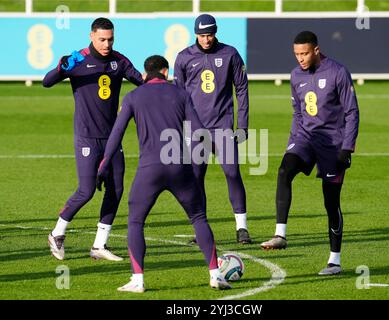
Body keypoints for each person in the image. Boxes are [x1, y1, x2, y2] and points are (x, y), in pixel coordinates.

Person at [96, 55, 232, 292]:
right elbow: (199, 131)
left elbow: (116, 133)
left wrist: (103, 165)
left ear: (145, 74)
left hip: (149, 169)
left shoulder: (132, 97)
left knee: (136, 221)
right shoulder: (180, 94)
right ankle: (215, 274)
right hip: (180, 166)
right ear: (166, 72)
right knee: (198, 218)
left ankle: (137, 280)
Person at [43, 17, 144, 261]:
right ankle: (57, 233)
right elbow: (47, 82)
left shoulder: (119, 61)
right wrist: (61, 67)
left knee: (116, 189)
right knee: (86, 190)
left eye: (110, 39)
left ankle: (99, 245)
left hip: (112, 139)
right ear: (91, 37)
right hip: (87, 137)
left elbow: (141, 81)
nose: (107, 44)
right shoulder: (77, 60)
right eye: (102, 39)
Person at [260, 31, 359, 276]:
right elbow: (297, 112)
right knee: (284, 170)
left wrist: (347, 148)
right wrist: (292, 142)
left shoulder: (337, 72)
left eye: (304, 53)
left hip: (332, 145)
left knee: (330, 202)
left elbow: (352, 113)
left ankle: (334, 261)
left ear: (316, 50)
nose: (300, 59)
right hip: (305, 138)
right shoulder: (295, 76)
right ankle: (280, 234)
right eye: (296, 54)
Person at [173, 14, 251, 244]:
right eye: (202, 35)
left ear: (215, 33)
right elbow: (176, 96)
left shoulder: (230, 54)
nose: (206, 40)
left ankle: (242, 228)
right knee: (196, 177)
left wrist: (243, 125)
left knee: (232, 172)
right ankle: (202, 230)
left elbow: (242, 90)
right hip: (195, 130)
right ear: (196, 34)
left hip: (223, 127)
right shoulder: (184, 57)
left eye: (210, 35)